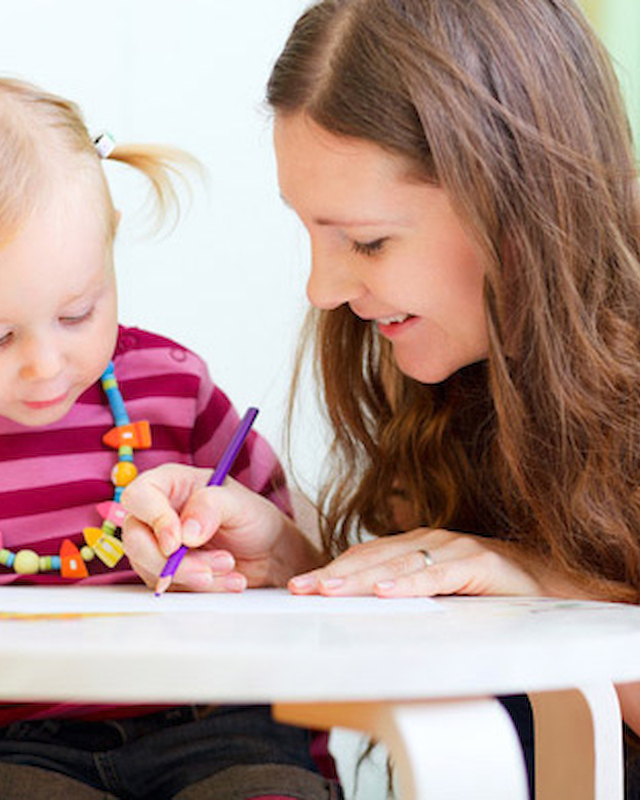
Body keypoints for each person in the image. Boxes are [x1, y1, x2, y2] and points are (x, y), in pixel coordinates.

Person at [121, 0, 640, 796]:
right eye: (311, 233)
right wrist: (298, 566)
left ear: (520, 204)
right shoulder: (442, 373)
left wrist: (544, 589)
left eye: (366, 241)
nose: (322, 288)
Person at [0, 76, 342, 800]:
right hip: (20, 747)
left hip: (215, 718)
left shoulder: (174, 390)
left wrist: (230, 562)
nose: (43, 364)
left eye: (77, 312)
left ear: (112, 246)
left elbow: (304, 571)